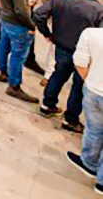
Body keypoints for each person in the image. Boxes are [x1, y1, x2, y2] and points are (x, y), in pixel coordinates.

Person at [34, 0, 103, 133]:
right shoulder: (99, 10)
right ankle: (70, 119)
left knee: (58, 75)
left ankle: (47, 105)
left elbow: (38, 14)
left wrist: (47, 34)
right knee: (79, 85)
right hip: (86, 55)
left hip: (62, 47)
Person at [0, 0, 40, 102]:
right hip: (17, 25)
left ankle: (3, 72)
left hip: (5, 19)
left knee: (3, 45)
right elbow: (21, 11)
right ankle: (14, 86)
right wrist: (31, 25)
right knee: (18, 56)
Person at [66, 24, 103, 194]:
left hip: (93, 91)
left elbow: (80, 62)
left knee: (93, 130)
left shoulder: (91, 34)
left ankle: (89, 163)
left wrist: (91, 81)